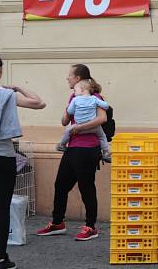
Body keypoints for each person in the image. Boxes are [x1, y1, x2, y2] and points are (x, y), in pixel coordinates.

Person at [36, 64, 108, 241]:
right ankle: (57, 223)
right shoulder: (73, 96)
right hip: (72, 147)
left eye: (70, 75)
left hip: (88, 148)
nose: (67, 78)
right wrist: (68, 111)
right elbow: (64, 121)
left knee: (86, 187)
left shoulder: (94, 96)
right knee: (60, 185)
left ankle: (91, 227)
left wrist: (79, 127)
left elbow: (102, 119)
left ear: (78, 79)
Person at [0, 55, 46, 269]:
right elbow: (39, 103)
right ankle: (0, 259)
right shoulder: (6, 95)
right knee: (0, 207)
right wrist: (18, 87)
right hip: (2, 156)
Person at [57, 79, 111, 163]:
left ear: (82, 90)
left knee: (67, 131)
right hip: (93, 127)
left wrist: (71, 108)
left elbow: (70, 111)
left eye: (75, 90)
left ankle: (62, 145)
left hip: (77, 127)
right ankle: (106, 153)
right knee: (102, 136)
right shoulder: (94, 98)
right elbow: (106, 106)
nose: (74, 92)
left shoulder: (75, 99)